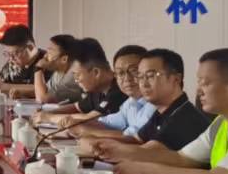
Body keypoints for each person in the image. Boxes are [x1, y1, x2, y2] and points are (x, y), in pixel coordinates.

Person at [105, 48, 228, 174]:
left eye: (205, 83)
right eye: (198, 83)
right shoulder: (220, 123)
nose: (198, 91)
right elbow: (182, 158)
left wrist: (144, 170)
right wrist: (119, 152)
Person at [81, 49, 209, 160]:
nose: (143, 84)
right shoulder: (161, 111)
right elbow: (136, 140)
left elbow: (145, 152)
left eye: (150, 76)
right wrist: (93, 139)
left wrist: (97, 144)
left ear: (176, 79)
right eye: (140, 77)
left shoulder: (184, 116)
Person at [54, 45, 152, 142]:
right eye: (121, 73)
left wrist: (84, 130)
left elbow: (135, 137)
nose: (127, 78)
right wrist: (76, 123)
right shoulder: (130, 102)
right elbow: (107, 123)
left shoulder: (155, 105)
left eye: (134, 71)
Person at [62, 39, 123, 118]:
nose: (76, 80)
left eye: (77, 75)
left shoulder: (119, 89)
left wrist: (48, 117)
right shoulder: (98, 89)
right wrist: (49, 113)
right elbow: (76, 107)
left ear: (96, 72)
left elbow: (87, 119)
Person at [0, 24, 45, 93]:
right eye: (7, 54)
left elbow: (47, 89)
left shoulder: (48, 61)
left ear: (30, 47)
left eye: (15, 53)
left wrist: (6, 87)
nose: (11, 58)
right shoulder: (13, 63)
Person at [30, 33, 83, 107]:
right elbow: (45, 90)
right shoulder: (59, 72)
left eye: (50, 52)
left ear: (64, 59)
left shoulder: (73, 76)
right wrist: (22, 93)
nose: (45, 56)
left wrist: (38, 68)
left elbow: (42, 99)